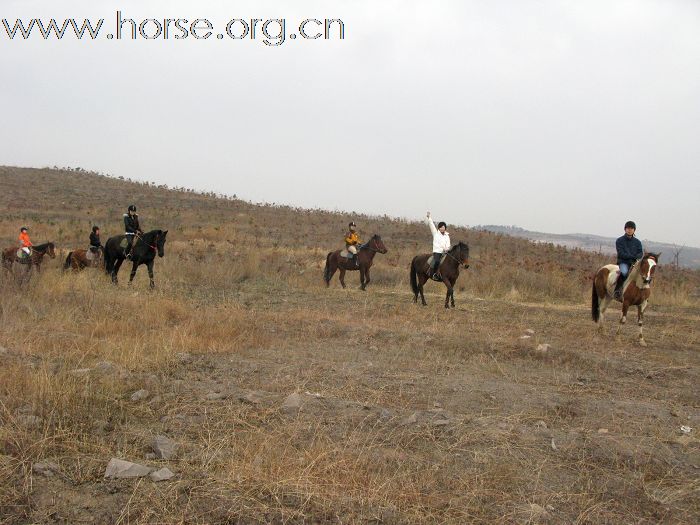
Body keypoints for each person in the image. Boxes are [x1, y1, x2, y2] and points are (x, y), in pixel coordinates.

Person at [614, 220, 644, 300]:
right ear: (625, 229)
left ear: (634, 230)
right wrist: (632, 257)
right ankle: (617, 291)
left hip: (635, 263)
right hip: (623, 262)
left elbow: (640, 253)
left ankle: (642, 294)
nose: (630, 230)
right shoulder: (619, 240)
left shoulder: (637, 242)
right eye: (628, 228)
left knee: (644, 275)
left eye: (631, 228)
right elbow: (621, 253)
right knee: (624, 273)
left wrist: (637, 257)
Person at [426, 211, 451, 280]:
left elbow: (448, 244)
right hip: (437, 252)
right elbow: (431, 225)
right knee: (437, 261)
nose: (443, 228)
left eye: (444, 227)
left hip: (445, 252)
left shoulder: (447, 235)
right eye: (441, 227)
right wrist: (429, 217)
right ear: (439, 228)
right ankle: (434, 273)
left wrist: (447, 248)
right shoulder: (435, 233)